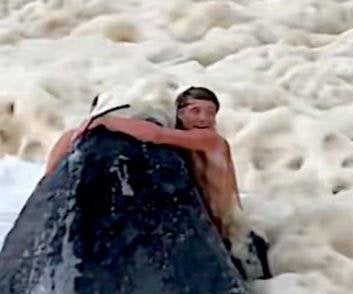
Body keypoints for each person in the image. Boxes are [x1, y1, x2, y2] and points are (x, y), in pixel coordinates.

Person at [45, 87, 270, 279]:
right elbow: (68, 138)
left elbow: (156, 135)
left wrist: (105, 122)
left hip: (236, 235)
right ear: (179, 114)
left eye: (210, 113)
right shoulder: (188, 141)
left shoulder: (210, 140)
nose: (204, 118)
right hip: (217, 230)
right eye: (196, 111)